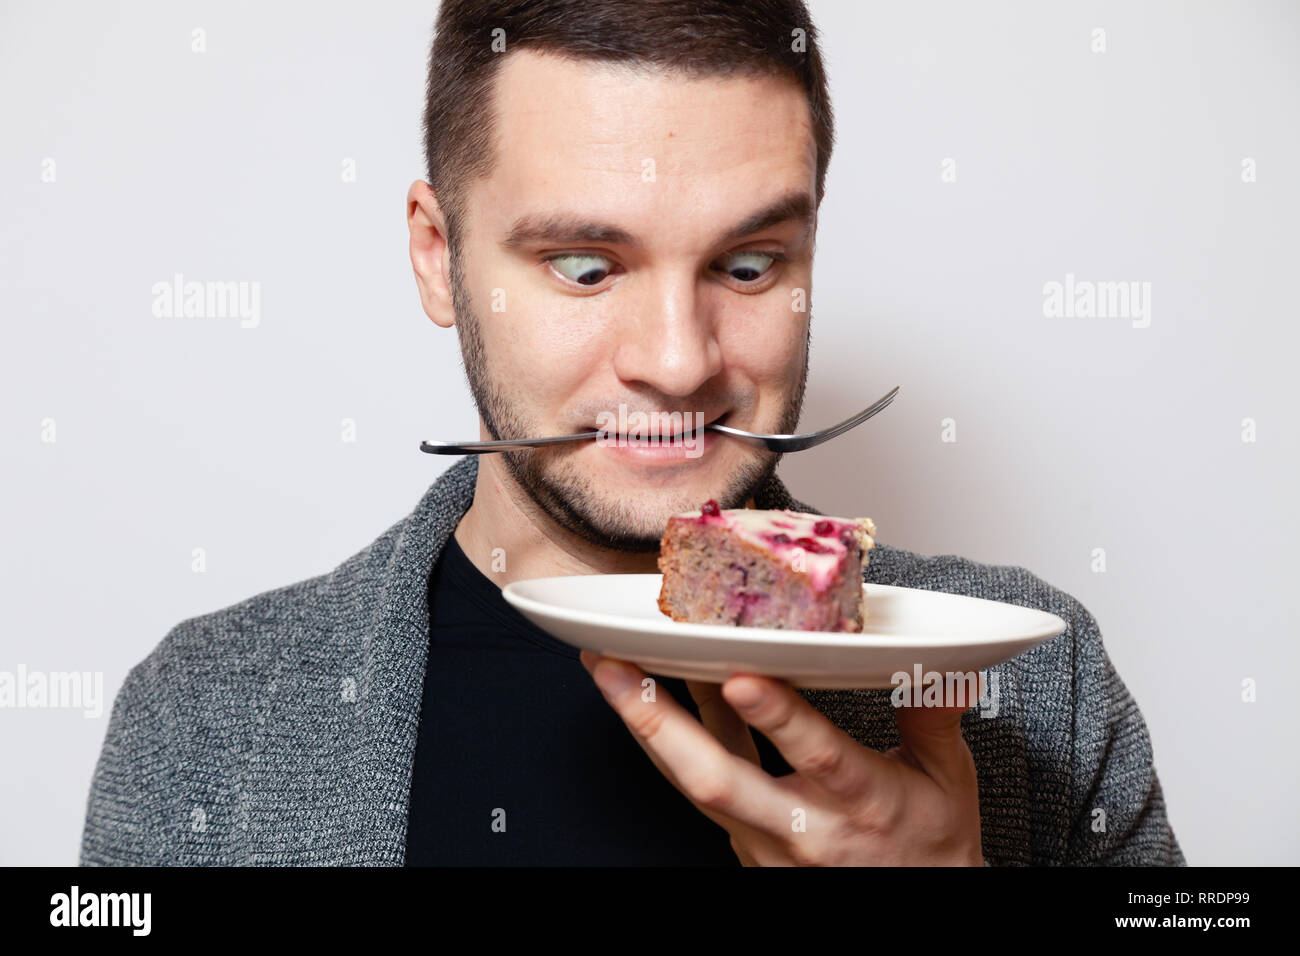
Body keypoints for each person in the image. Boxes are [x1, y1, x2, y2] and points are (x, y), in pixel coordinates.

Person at [81, 0, 1183, 866]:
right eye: (585, 265)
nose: (678, 358)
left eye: (749, 264)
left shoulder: (1037, 681)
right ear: (438, 256)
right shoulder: (206, 715)